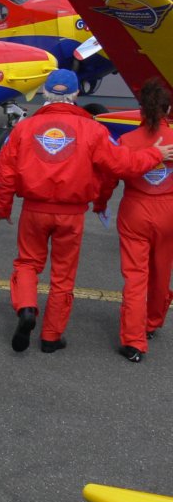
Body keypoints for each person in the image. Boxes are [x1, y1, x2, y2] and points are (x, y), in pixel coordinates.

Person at [0, 69, 173, 354]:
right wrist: (156, 155)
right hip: (72, 215)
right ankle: (51, 337)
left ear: (45, 93)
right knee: (63, 276)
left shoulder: (23, 128)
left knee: (27, 263)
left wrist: (1, 208)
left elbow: (4, 171)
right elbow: (121, 165)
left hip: (34, 210)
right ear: (76, 94)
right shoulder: (94, 130)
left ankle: (26, 307)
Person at [95, 78, 173, 363]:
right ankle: (152, 321)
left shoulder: (127, 141)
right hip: (169, 211)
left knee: (135, 277)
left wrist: (101, 203)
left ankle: (133, 340)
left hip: (136, 210)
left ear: (140, 109)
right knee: (161, 271)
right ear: (168, 110)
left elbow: (109, 177)